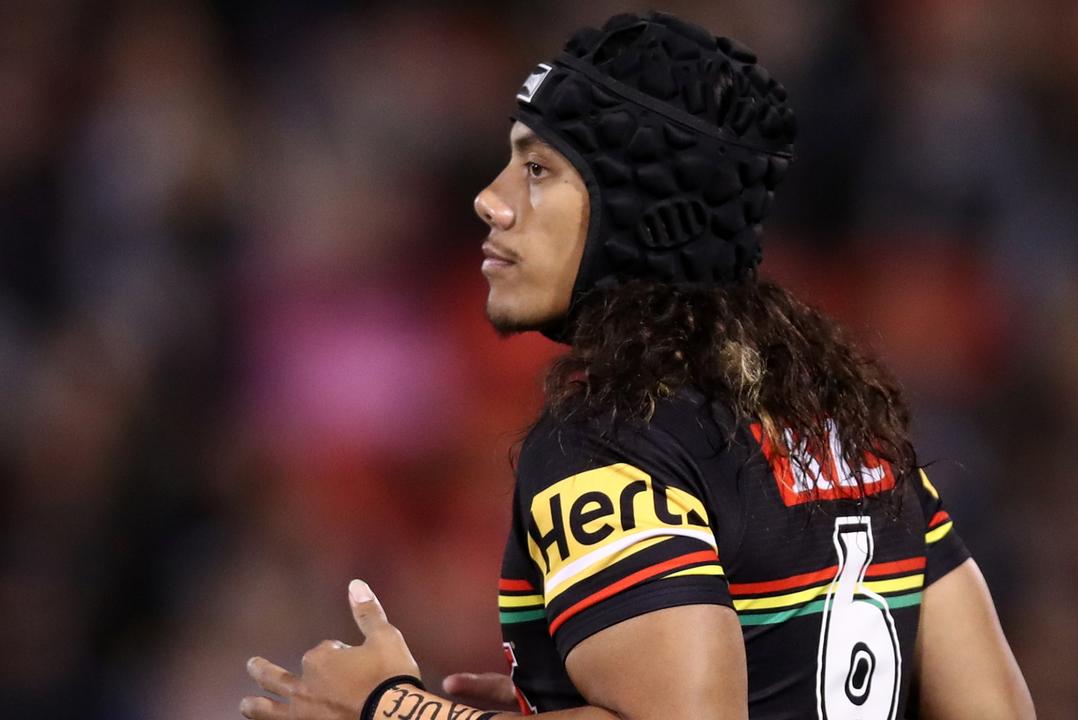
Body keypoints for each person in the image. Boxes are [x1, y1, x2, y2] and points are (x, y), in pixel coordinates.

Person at [240, 11, 1034, 720]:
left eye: (538, 169)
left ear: (634, 215)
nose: (492, 198)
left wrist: (394, 711)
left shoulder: (610, 443)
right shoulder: (843, 428)